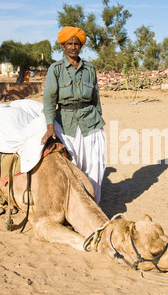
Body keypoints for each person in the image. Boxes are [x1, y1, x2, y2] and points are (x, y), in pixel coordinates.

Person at [41, 26, 106, 204]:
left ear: (81, 46)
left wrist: (98, 120)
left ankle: (94, 204)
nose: (73, 47)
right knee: (72, 166)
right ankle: (75, 206)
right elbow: (49, 100)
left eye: (76, 44)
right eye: (69, 43)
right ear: (63, 46)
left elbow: (96, 98)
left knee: (95, 166)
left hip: (91, 122)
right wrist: (50, 126)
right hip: (67, 123)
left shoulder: (89, 69)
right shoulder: (56, 69)